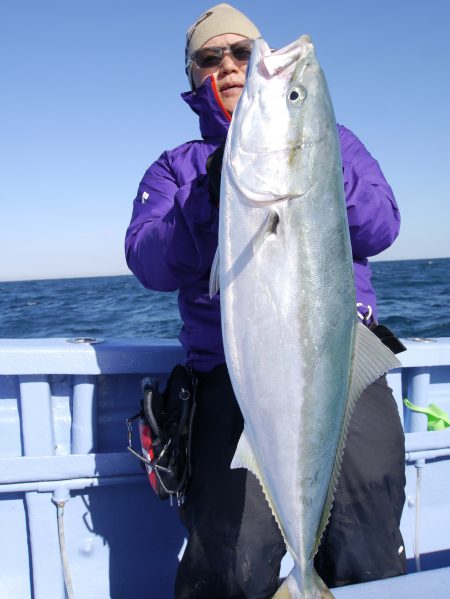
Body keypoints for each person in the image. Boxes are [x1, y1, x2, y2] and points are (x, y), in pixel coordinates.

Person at [125, 4, 407, 598]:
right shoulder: (178, 169)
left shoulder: (337, 141)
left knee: (370, 547)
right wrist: (210, 195)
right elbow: (148, 259)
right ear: (194, 75)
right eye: (211, 57)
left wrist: (313, 156)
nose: (229, 66)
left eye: (243, 53)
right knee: (233, 563)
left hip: (343, 368)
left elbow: (381, 225)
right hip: (233, 377)